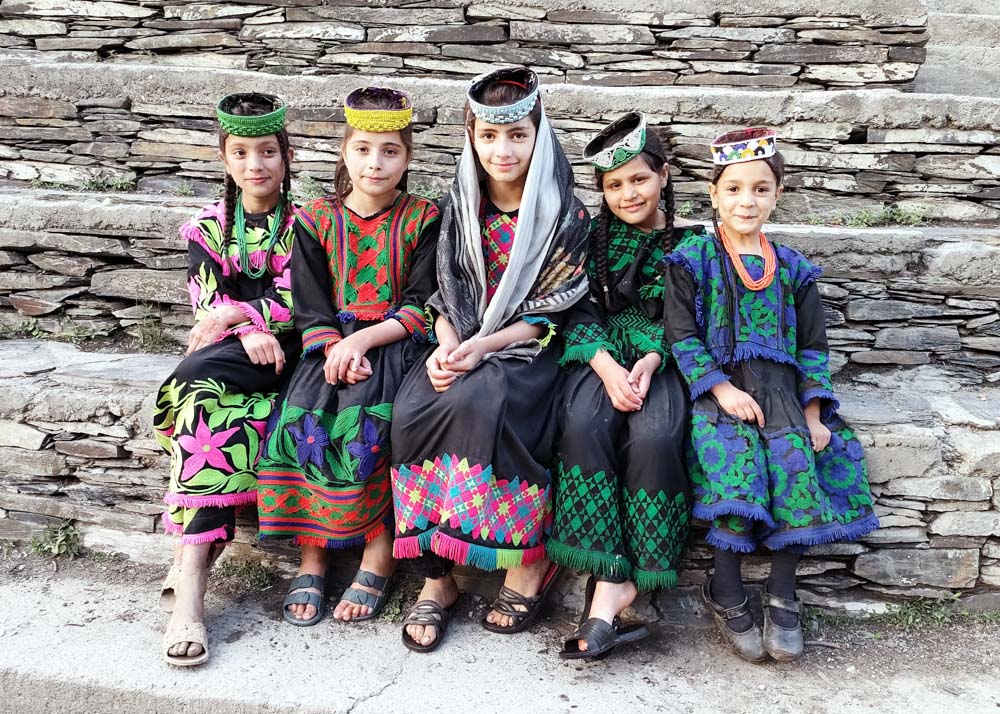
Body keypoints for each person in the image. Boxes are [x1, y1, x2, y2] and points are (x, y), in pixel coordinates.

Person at [389, 66, 589, 652]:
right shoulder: (458, 207)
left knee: (485, 396)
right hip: (462, 341)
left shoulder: (564, 215)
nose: (503, 150)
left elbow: (552, 309)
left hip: (527, 348)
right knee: (412, 407)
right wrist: (448, 343)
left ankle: (524, 563)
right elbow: (440, 292)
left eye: (518, 136)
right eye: (489, 137)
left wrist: (485, 346)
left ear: (539, 136)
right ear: (471, 138)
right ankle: (437, 577)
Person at [662, 127, 878, 662]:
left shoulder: (796, 270)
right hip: (718, 395)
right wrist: (722, 388)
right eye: (734, 188)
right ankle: (727, 587)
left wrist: (813, 413)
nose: (746, 200)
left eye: (760, 188)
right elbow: (682, 337)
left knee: (795, 458)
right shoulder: (692, 260)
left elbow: (812, 348)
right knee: (736, 461)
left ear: (777, 193)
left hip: (783, 396)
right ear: (714, 194)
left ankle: (783, 592)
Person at [257, 87, 440, 627]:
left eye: (390, 151)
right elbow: (309, 306)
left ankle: (376, 552)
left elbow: (422, 303)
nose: (375, 163)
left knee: (367, 421)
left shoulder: (423, 218)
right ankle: (313, 551)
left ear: (407, 158)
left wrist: (362, 342)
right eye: (362, 149)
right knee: (303, 416)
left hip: (393, 344)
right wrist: (334, 346)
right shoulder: (315, 219)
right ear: (344, 152)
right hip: (328, 345)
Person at [153, 92, 297, 666]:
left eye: (267, 151)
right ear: (225, 157)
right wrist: (240, 326)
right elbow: (206, 304)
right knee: (202, 408)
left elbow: (305, 296)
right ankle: (191, 592)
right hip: (229, 359)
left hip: (289, 357)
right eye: (241, 152)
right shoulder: (206, 229)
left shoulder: (307, 224)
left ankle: (186, 568)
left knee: (188, 378)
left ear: (287, 157)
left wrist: (249, 315)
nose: (255, 165)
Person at [550, 113, 697, 659]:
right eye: (614, 185)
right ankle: (608, 567)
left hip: (666, 359)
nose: (628, 193)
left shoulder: (690, 245)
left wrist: (655, 357)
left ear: (663, 175)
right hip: (598, 357)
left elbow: (688, 317)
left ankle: (631, 583)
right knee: (586, 423)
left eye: (639, 179)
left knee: (657, 434)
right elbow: (575, 306)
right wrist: (608, 367)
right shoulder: (590, 238)